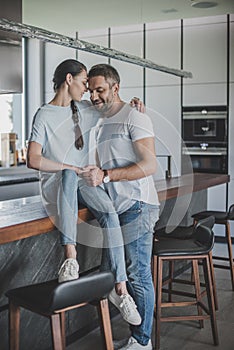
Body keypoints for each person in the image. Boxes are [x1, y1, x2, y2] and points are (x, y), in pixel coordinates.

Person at [27, 59, 145, 326]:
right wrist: (68, 166)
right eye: (83, 84)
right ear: (69, 80)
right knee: (70, 173)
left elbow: (114, 106)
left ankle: (121, 290)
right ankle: (70, 258)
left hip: (82, 182)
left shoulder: (85, 108)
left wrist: (135, 107)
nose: (88, 91)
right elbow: (33, 159)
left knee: (110, 214)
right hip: (57, 184)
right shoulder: (43, 114)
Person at [80, 63, 160, 350]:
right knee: (116, 272)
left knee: (138, 274)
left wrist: (107, 176)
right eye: (91, 91)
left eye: (100, 90)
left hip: (137, 206)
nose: (94, 96)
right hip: (117, 208)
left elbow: (150, 164)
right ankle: (134, 330)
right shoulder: (101, 121)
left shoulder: (135, 117)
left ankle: (142, 341)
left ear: (116, 88)